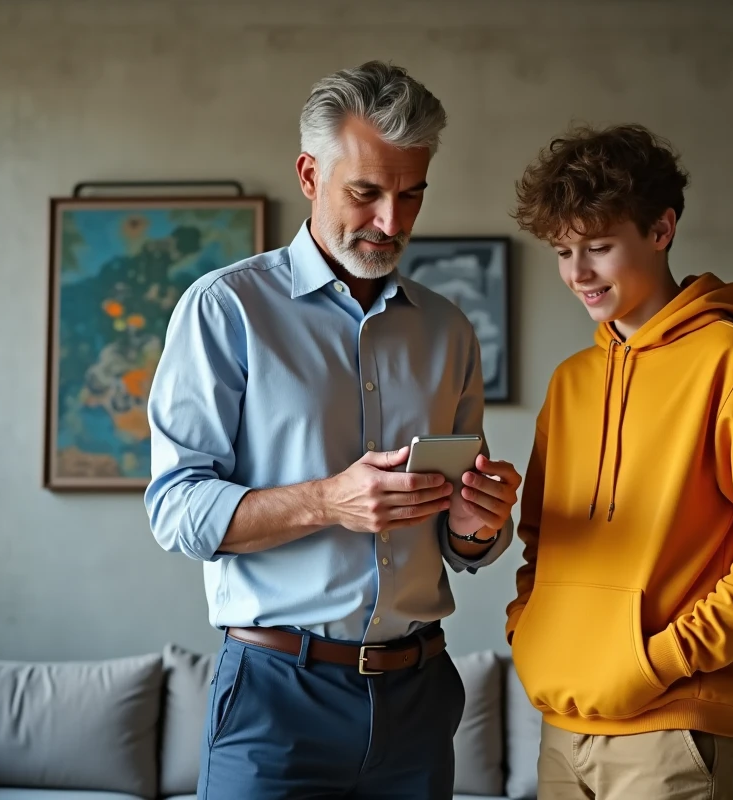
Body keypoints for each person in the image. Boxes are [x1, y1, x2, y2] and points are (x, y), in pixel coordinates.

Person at [144, 60, 521, 800]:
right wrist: (326, 501)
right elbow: (177, 511)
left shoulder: (448, 330)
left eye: (411, 195)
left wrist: (478, 525)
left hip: (418, 703)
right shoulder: (225, 311)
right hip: (274, 701)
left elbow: (462, 541)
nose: (392, 221)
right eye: (367, 193)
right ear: (310, 174)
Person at [505, 123, 733, 800]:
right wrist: (530, 635)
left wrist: (666, 659)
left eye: (598, 247)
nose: (577, 273)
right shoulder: (569, 384)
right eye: (563, 251)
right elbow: (540, 542)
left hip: (671, 731)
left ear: (661, 230)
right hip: (561, 730)